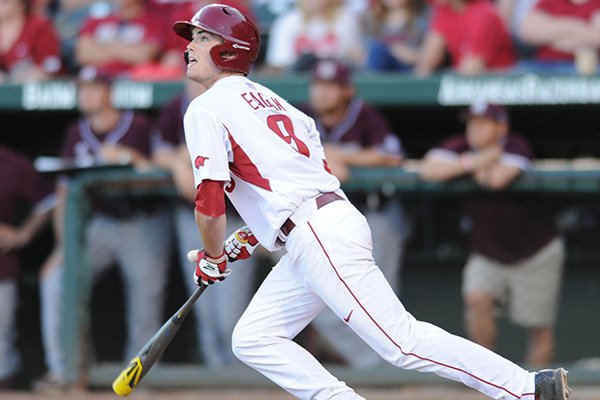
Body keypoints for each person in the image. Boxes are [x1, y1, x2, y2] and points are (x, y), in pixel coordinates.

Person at [171, 4, 571, 400]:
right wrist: (252, 235)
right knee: (254, 337)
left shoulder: (205, 106)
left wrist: (213, 256)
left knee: (401, 342)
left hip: (317, 234)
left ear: (229, 49)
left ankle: (528, 389)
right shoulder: (282, 105)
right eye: (192, 37)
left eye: (203, 37)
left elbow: (208, 199)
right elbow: (292, 184)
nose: (190, 46)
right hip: (319, 225)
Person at [34, 66, 172, 391]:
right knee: (56, 280)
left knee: (145, 302)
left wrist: (131, 158)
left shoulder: (138, 126)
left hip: (143, 223)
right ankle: (66, 371)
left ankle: (138, 378)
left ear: (109, 91)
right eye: (83, 88)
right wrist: (61, 247)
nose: (87, 94)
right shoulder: (75, 131)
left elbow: (163, 170)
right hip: (100, 224)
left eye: (94, 88)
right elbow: (64, 193)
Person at [420, 102, 566, 368]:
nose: (474, 129)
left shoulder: (516, 144)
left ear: (501, 127)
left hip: (535, 250)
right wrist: (475, 161)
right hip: (488, 250)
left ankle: (534, 393)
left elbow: (496, 180)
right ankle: (490, 376)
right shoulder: (460, 146)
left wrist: (471, 166)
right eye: (471, 123)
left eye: (482, 123)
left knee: (539, 329)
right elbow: (428, 171)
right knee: (476, 298)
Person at [300, 57, 408, 368]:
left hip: (374, 215)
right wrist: (329, 158)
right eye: (318, 85)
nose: (322, 93)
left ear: (347, 91)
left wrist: (343, 155)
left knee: (380, 305)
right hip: (323, 224)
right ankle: (376, 370)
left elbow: (392, 155)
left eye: (331, 86)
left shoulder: (365, 115)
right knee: (324, 307)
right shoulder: (302, 115)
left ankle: (388, 370)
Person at [152, 79, 256, 367]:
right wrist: (175, 163)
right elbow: (159, 153)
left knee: (230, 315)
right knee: (205, 310)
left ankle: (241, 378)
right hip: (193, 216)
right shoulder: (176, 108)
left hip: (235, 219)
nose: (193, 81)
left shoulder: (236, 104)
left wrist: (183, 158)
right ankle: (218, 380)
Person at [0, 145, 54, 390]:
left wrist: (23, 234)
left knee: (1, 347)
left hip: (2, 269)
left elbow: (50, 197)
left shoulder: (10, 162)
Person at [414, 0, 516, 77]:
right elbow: (427, 61)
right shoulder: (445, 12)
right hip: (463, 83)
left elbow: (471, 68)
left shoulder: (484, 13)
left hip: (496, 88)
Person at [264, 0, 364, 73]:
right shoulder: (286, 22)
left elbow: (355, 62)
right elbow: (279, 65)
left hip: (335, 83)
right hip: (297, 84)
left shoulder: (346, 21)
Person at [74, 0, 166, 78]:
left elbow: (145, 55)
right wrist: (126, 51)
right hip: (93, 81)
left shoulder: (153, 21)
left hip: (130, 83)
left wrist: (107, 46)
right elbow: (83, 55)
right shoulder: (97, 19)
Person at [519, 0, 600, 73]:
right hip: (543, 66)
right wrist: (582, 27)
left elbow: (596, 38)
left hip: (583, 68)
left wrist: (551, 36)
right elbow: (528, 32)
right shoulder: (550, 1)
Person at [0, 0, 62, 83]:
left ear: (21, 4)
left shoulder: (38, 26)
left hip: (38, 88)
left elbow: (51, 64)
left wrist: (38, 73)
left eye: (5, 1)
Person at [363, 0, 429, 72]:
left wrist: (413, 55)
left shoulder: (422, 18)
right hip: (380, 70)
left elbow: (431, 54)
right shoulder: (372, 20)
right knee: (378, 50)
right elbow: (366, 55)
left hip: (410, 68)